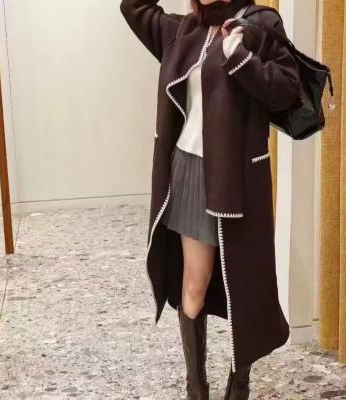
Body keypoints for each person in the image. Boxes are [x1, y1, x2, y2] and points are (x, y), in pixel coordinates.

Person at [120, 0, 300, 399]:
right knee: (194, 281)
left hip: (239, 178)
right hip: (190, 170)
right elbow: (133, 7)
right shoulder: (180, 30)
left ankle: (240, 383)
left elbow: (286, 91)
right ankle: (196, 387)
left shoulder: (261, 22)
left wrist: (241, 58)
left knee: (244, 284)